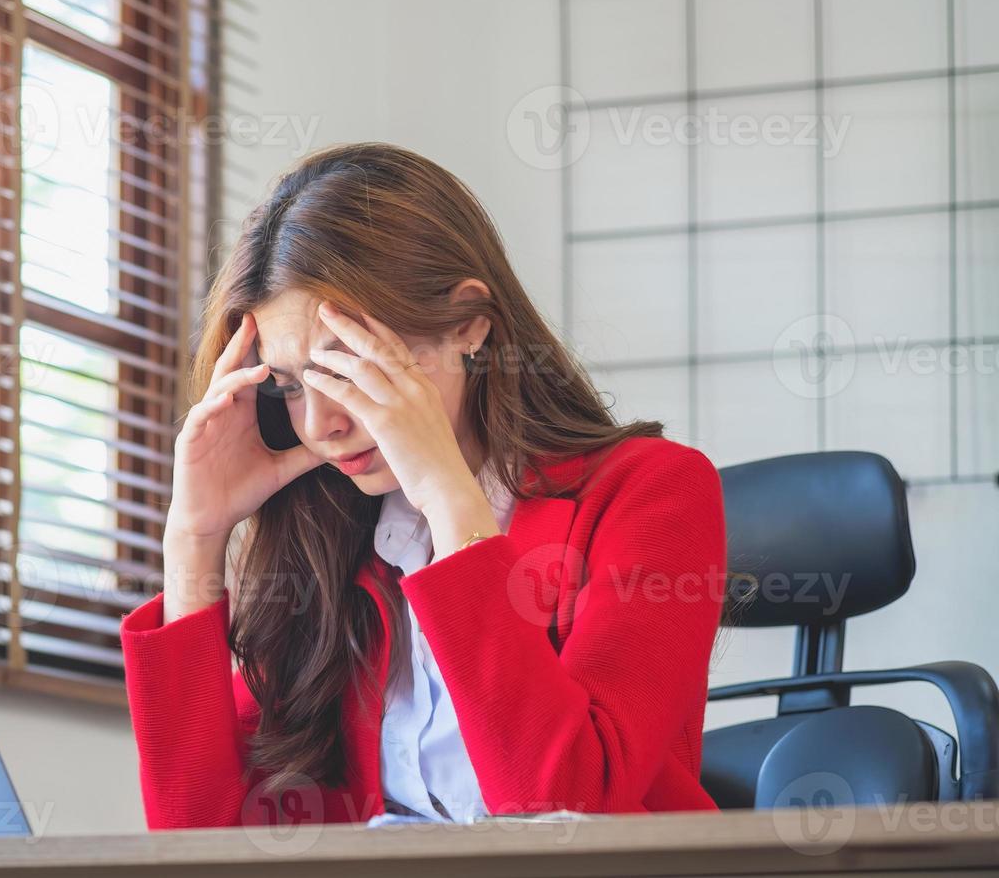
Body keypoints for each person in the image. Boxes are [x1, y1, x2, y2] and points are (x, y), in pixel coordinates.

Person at [121, 142, 730, 829]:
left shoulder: (654, 492)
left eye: (345, 368)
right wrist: (193, 540)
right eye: (290, 387)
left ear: (470, 323)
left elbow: (564, 810)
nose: (320, 425)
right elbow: (198, 842)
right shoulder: (335, 538)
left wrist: (450, 501)